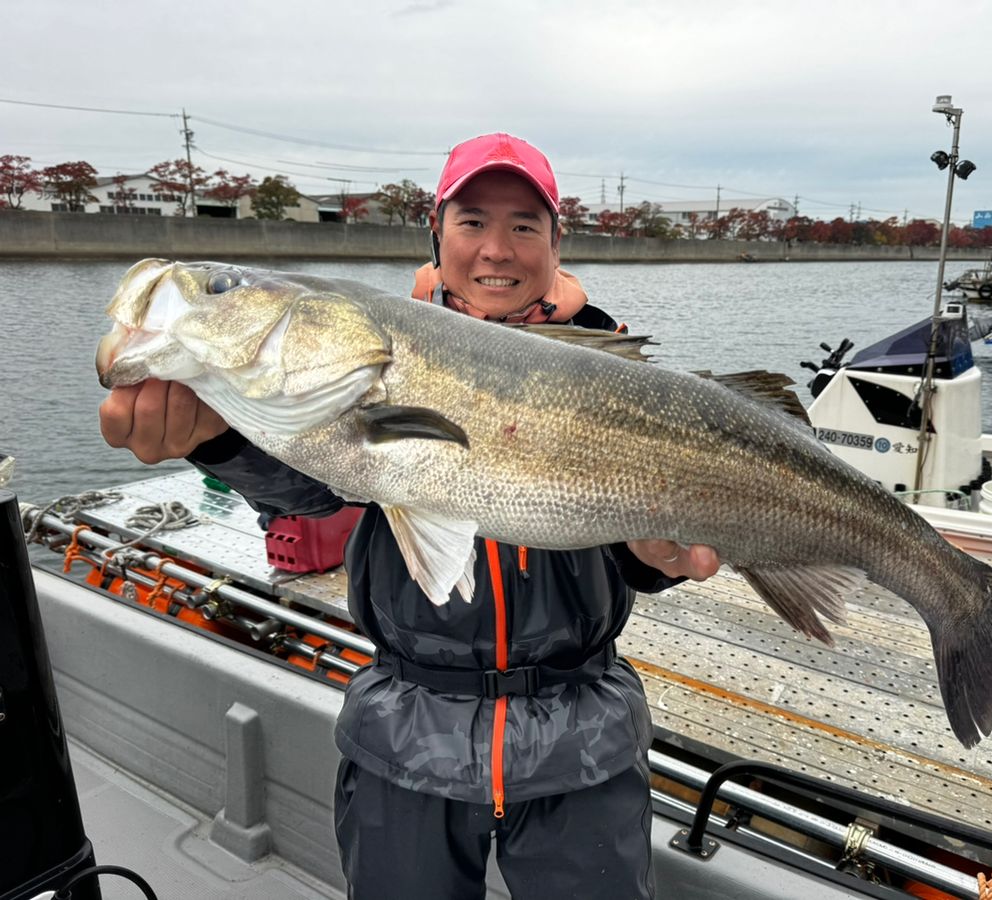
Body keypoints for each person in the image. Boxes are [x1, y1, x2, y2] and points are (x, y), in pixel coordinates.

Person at [99, 132, 719, 900]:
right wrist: (219, 441)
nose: (497, 249)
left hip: (582, 732)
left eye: (525, 225)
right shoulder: (369, 345)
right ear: (437, 231)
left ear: (558, 243)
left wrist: (655, 560)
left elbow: (633, 548)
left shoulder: (616, 369)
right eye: (472, 222)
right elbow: (317, 487)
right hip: (406, 728)